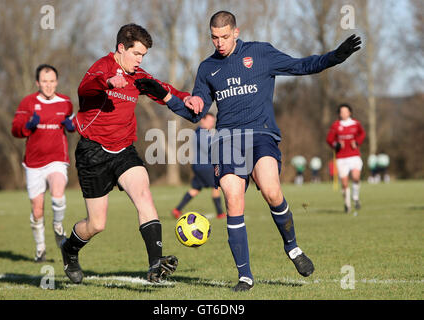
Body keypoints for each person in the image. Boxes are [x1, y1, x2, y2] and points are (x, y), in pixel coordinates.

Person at [137, 11, 362, 291]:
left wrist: (335, 57)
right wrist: (165, 95)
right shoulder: (207, 68)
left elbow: (303, 66)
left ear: (236, 32)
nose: (219, 43)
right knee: (233, 198)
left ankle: (292, 247)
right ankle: (245, 276)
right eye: (214, 38)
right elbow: (196, 113)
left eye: (224, 37)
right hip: (228, 140)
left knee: (271, 190)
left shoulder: (260, 53)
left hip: (261, 134)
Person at [60, 23, 203, 284]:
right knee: (96, 224)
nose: (139, 61)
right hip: (92, 151)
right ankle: (69, 249)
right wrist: (107, 82)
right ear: (121, 48)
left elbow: (163, 89)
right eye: (136, 54)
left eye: (143, 56)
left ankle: (155, 263)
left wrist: (188, 98)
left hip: (124, 149)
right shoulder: (102, 67)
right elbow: (85, 88)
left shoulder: (138, 76)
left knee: (143, 192)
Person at [12, 64, 75, 262]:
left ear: (57, 82)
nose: (49, 85)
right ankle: (40, 250)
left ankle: (58, 226)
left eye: (52, 81)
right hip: (33, 163)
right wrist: (28, 126)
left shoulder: (65, 102)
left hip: (57, 159)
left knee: (58, 192)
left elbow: (73, 124)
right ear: (38, 83)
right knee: (37, 209)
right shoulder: (28, 103)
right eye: (45, 81)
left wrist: (72, 125)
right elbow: (15, 129)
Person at [171, 113, 225, 219]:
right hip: (205, 166)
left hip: (198, 166)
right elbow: (210, 149)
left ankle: (177, 209)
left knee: (195, 189)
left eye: (213, 122)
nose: (212, 124)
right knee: (216, 187)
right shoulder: (202, 133)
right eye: (210, 121)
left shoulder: (200, 132)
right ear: (202, 120)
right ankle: (220, 213)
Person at [326, 103, 366, 213]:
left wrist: (357, 142)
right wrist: (337, 145)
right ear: (339, 114)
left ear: (350, 112)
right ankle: (347, 204)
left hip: (354, 156)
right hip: (341, 157)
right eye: (341, 112)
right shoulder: (336, 125)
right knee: (344, 183)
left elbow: (362, 134)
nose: (343, 113)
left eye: (345, 111)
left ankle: (356, 197)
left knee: (356, 177)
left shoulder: (356, 124)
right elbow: (329, 139)